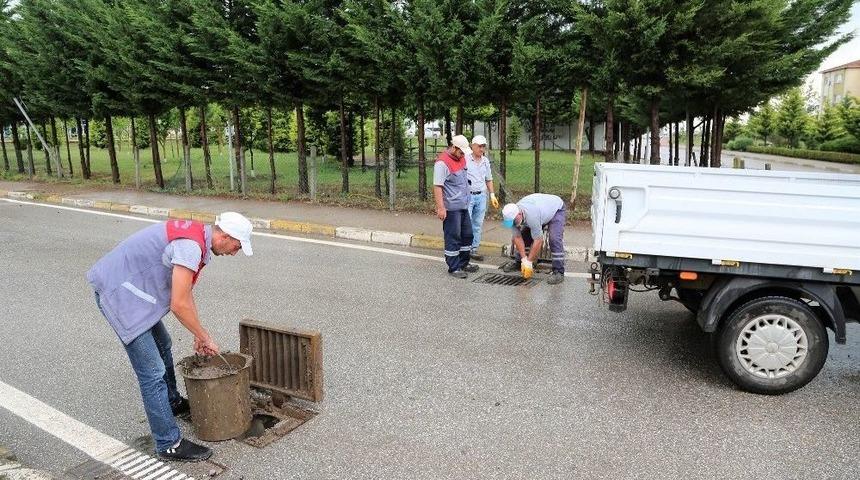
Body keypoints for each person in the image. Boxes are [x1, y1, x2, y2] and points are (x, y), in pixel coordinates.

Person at [87, 212, 253, 462]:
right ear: (225, 236)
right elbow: (178, 304)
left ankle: (172, 401)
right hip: (120, 295)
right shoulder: (190, 247)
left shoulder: (198, 237)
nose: (235, 252)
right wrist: (203, 335)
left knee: (163, 343)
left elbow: (185, 293)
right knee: (152, 373)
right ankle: (168, 443)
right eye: (237, 246)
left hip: (134, 292)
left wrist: (198, 332)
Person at [434, 134, 480, 279]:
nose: (462, 155)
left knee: (467, 235)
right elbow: (437, 186)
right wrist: (441, 208)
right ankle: (454, 267)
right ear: (454, 147)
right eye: (460, 152)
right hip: (451, 207)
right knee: (453, 237)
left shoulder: (461, 158)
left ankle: (463, 263)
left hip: (464, 205)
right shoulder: (442, 163)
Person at [501, 193, 566, 285]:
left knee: (554, 239)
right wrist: (524, 259)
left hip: (556, 209)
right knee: (524, 236)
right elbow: (517, 237)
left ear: (519, 214)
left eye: (513, 221)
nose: (512, 224)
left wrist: (529, 262)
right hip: (541, 209)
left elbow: (538, 240)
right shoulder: (512, 216)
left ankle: (559, 271)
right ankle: (519, 262)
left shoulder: (532, 216)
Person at [465, 135, 499, 262]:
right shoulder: (466, 159)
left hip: (481, 196)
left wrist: (492, 195)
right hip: (468, 196)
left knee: (477, 224)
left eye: (483, 146)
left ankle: (474, 249)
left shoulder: (485, 161)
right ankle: (465, 248)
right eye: (479, 146)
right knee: (466, 223)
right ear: (472, 146)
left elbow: (489, 179)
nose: (481, 148)